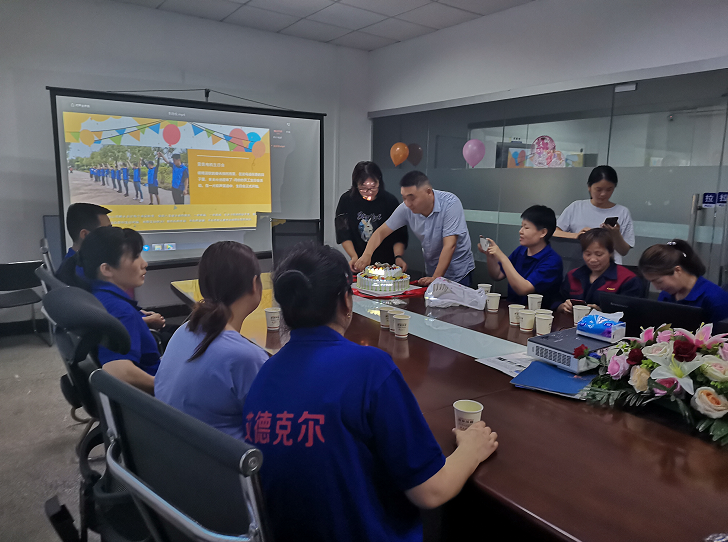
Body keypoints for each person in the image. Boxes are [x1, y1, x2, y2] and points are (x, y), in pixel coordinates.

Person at [244, 244, 498, 542]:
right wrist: (471, 449)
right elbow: (432, 490)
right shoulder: (368, 367)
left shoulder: (265, 373)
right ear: (346, 302)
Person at [155, 241, 267, 438]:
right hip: (226, 463)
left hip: (175, 452)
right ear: (254, 284)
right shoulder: (245, 356)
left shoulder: (184, 331)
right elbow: (275, 424)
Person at [354, 171, 475, 287]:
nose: (408, 203)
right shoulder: (406, 208)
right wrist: (367, 255)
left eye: (412, 198)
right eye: (404, 198)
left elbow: (450, 245)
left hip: (458, 273)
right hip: (433, 271)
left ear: (428, 192)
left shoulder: (450, 203)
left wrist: (436, 278)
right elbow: (380, 232)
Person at [78, 226, 160, 393]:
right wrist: (165, 386)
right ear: (107, 269)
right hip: (160, 401)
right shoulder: (121, 311)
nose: (144, 263)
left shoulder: (96, 296)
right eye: (135, 257)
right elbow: (117, 371)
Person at [481, 205, 563, 308]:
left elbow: (523, 289)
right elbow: (497, 275)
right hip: (512, 309)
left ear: (543, 232)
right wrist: (490, 256)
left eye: (526, 227)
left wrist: (502, 257)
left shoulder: (552, 261)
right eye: (521, 226)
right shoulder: (521, 250)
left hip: (537, 315)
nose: (521, 231)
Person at [553, 165, 634, 264]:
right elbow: (554, 232)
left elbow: (624, 251)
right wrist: (577, 236)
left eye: (609, 189)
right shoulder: (576, 207)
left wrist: (615, 235)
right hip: (579, 264)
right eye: (599, 189)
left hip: (610, 268)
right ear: (589, 187)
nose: (603, 194)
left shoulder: (622, 212)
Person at [335, 161, 408, 271]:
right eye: (363, 188)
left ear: (379, 182)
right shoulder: (346, 200)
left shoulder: (390, 201)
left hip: (386, 264)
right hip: (359, 262)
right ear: (356, 184)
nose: (368, 192)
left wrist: (398, 256)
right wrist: (354, 257)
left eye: (373, 187)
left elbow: (399, 234)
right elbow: (343, 233)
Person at [555, 228, 643, 313]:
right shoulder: (573, 275)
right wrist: (562, 306)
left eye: (599, 254)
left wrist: (601, 312)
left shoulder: (627, 279)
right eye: (588, 254)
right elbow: (557, 299)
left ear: (610, 252)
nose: (593, 259)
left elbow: (630, 313)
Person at [638, 239, 728, 322]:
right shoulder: (665, 295)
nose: (657, 287)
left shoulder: (716, 299)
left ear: (677, 270)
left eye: (658, 281)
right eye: (651, 282)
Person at [56, 203, 111, 284]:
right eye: (106, 230)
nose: (112, 234)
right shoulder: (79, 272)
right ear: (85, 235)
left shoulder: (75, 264)